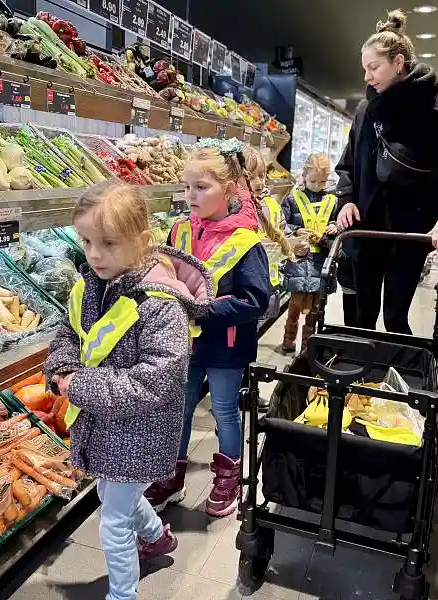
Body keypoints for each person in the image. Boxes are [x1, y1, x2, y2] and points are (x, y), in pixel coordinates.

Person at [44, 182, 213, 600]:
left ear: (140, 242)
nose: (94, 254)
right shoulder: (91, 285)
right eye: (86, 241)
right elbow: (69, 331)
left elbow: (152, 381)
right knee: (111, 492)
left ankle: (123, 595)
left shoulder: (161, 305)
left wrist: (77, 385)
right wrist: (63, 366)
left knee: (114, 520)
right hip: (102, 422)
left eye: (108, 243)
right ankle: (157, 536)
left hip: (140, 430)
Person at [145, 140, 271, 518]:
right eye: (187, 187)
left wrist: (206, 309)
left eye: (202, 187)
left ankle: (227, 478)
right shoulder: (180, 232)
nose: (191, 196)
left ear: (230, 188)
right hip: (183, 343)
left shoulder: (246, 242)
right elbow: (164, 274)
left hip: (226, 346)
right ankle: (171, 477)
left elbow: (255, 300)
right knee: (179, 408)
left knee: (223, 409)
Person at [335, 8, 438, 334]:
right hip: (365, 227)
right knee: (361, 316)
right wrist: (346, 199)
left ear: (398, 63)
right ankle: (361, 380)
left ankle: (393, 381)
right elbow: (348, 164)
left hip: (411, 229)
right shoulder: (365, 110)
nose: (367, 77)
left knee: (395, 317)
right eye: (364, 68)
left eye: (374, 67)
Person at [281, 153, 338, 352]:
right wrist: (296, 231)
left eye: (322, 181)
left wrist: (334, 226)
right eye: (313, 180)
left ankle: (307, 344)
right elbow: (282, 225)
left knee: (315, 306)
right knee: (295, 303)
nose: (317, 185)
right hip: (299, 259)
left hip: (320, 260)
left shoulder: (333, 200)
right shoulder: (292, 199)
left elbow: (339, 225)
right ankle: (288, 339)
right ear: (304, 175)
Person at [240, 145, 294, 293]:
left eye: (261, 175)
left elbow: (286, 235)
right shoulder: (233, 211)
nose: (258, 182)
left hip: (271, 282)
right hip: (247, 288)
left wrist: (297, 246)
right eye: (250, 177)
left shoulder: (272, 206)